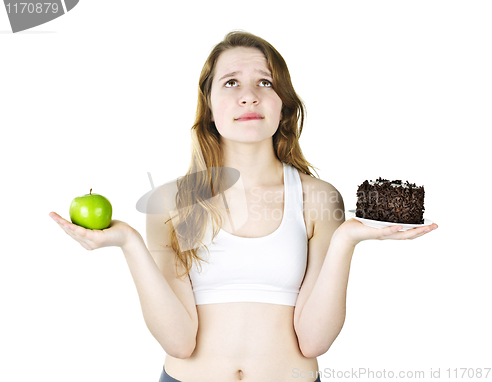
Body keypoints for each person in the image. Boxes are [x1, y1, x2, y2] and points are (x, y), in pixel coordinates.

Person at [49, 31, 438, 382]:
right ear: (210, 104)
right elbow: (180, 342)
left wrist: (347, 239)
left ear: (282, 105)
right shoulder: (170, 202)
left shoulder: (319, 198)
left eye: (264, 83)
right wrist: (130, 244)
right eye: (231, 82)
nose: (248, 95)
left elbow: (314, 340)